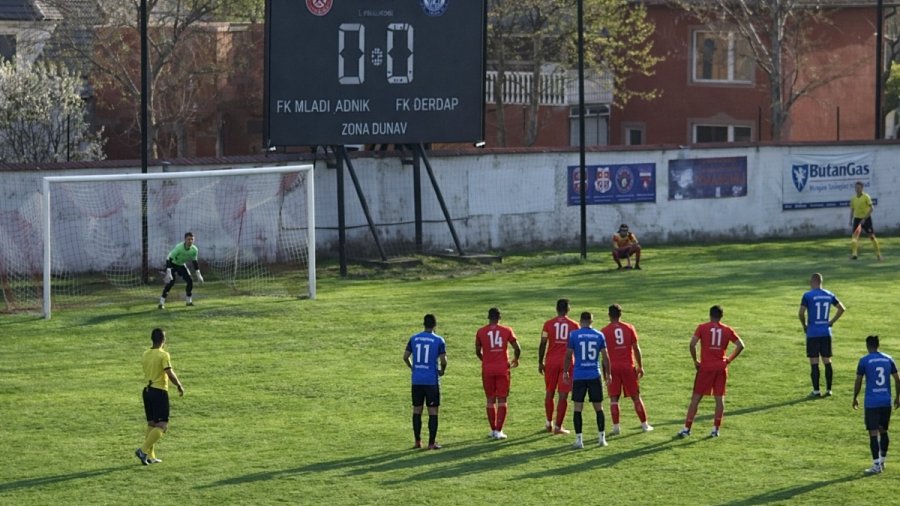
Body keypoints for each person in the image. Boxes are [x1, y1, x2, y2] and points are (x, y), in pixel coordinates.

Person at [677, 305, 744, 438]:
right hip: (721, 368)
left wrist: (695, 360)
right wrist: (728, 360)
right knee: (719, 399)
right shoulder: (727, 330)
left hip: (706, 368)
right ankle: (715, 429)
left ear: (710, 315)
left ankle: (687, 428)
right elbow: (740, 345)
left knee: (696, 398)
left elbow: (692, 344)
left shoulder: (702, 327)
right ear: (721, 316)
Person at [601, 304, 653, 435]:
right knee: (636, 396)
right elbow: (636, 348)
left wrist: (606, 373)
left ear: (609, 315)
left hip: (613, 368)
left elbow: (603, 355)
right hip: (628, 366)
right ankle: (644, 425)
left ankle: (616, 427)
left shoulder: (604, 331)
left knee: (614, 398)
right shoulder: (629, 328)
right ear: (620, 314)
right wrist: (640, 366)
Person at [136, 328, 185, 465]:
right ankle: (143, 450)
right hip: (159, 392)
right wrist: (179, 385)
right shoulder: (163, 355)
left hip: (147, 391)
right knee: (162, 425)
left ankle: (149, 456)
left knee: (152, 424)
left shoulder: (145, 354)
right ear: (163, 340)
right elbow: (169, 373)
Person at [563, 311, 611, 449]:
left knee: (578, 408)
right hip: (594, 374)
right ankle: (601, 438)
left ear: (580, 320)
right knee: (598, 407)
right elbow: (606, 357)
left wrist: (565, 371)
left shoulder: (574, 335)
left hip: (579, 375)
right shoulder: (599, 335)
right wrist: (608, 374)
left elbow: (568, 356)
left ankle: (579, 440)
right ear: (591, 321)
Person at [853, 335, 900, 474]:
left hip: (872, 402)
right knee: (883, 430)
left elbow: (858, 381)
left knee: (873, 433)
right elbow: (898, 380)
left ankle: (876, 465)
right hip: (886, 401)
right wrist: (898, 397)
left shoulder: (864, 361)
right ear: (878, 345)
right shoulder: (888, 359)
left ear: (868, 346)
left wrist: (855, 397)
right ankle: (882, 460)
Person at [475, 307, 521, 440]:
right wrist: (516, 359)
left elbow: (478, 351)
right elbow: (517, 348)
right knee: (502, 399)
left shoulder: (481, 331)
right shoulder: (506, 330)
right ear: (499, 318)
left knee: (490, 399)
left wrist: (485, 360)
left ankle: (492, 429)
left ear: (488, 317)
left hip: (487, 369)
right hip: (502, 368)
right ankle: (499, 430)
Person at [403, 314, 447, 450]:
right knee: (433, 411)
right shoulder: (439, 340)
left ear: (424, 324)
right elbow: (444, 360)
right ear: (435, 325)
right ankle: (431, 443)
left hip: (417, 380)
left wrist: (412, 367)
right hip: (431, 381)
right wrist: (442, 370)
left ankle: (417, 441)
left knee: (417, 410)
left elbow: (405, 357)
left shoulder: (414, 338)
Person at [799, 273, 846, 397]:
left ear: (812, 281)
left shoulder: (807, 295)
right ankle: (829, 390)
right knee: (827, 361)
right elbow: (842, 308)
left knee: (814, 362)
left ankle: (816, 391)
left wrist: (804, 325)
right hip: (826, 332)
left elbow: (801, 313)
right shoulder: (829, 294)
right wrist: (831, 322)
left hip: (813, 333)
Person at [538, 299, 579, 434]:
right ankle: (558, 427)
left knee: (549, 393)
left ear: (556, 308)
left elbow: (543, 343)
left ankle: (549, 423)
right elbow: (578, 346)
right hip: (566, 363)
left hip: (550, 362)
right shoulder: (574, 325)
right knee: (563, 395)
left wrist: (540, 361)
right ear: (568, 309)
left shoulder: (548, 324)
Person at [159, 232, 204, 309]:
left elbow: (195, 262)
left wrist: (198, 274)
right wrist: (169, 271)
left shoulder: (194, 249)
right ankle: (161, 303)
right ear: (185, 240)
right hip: (171, 264)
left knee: (190, 281)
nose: (190, 241)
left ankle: (188, 302)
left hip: (181, 264)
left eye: (192, 239)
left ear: (194, 240)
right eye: (188, 239)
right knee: (171, 282)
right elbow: (169, 258)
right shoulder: (179, 247)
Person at [849, 181, 882, 261]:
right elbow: (852, 210)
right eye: (856, 188)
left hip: (866, 219)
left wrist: (864, 219)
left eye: (859, 188)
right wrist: (850, 220)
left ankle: (878, 255)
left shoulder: (866, 197)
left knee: (871, 236)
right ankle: (854, 255)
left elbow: (872, 208)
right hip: (857, 219)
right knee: (854, 237)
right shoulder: (853, 198)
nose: (857, 189)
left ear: (862, 188)